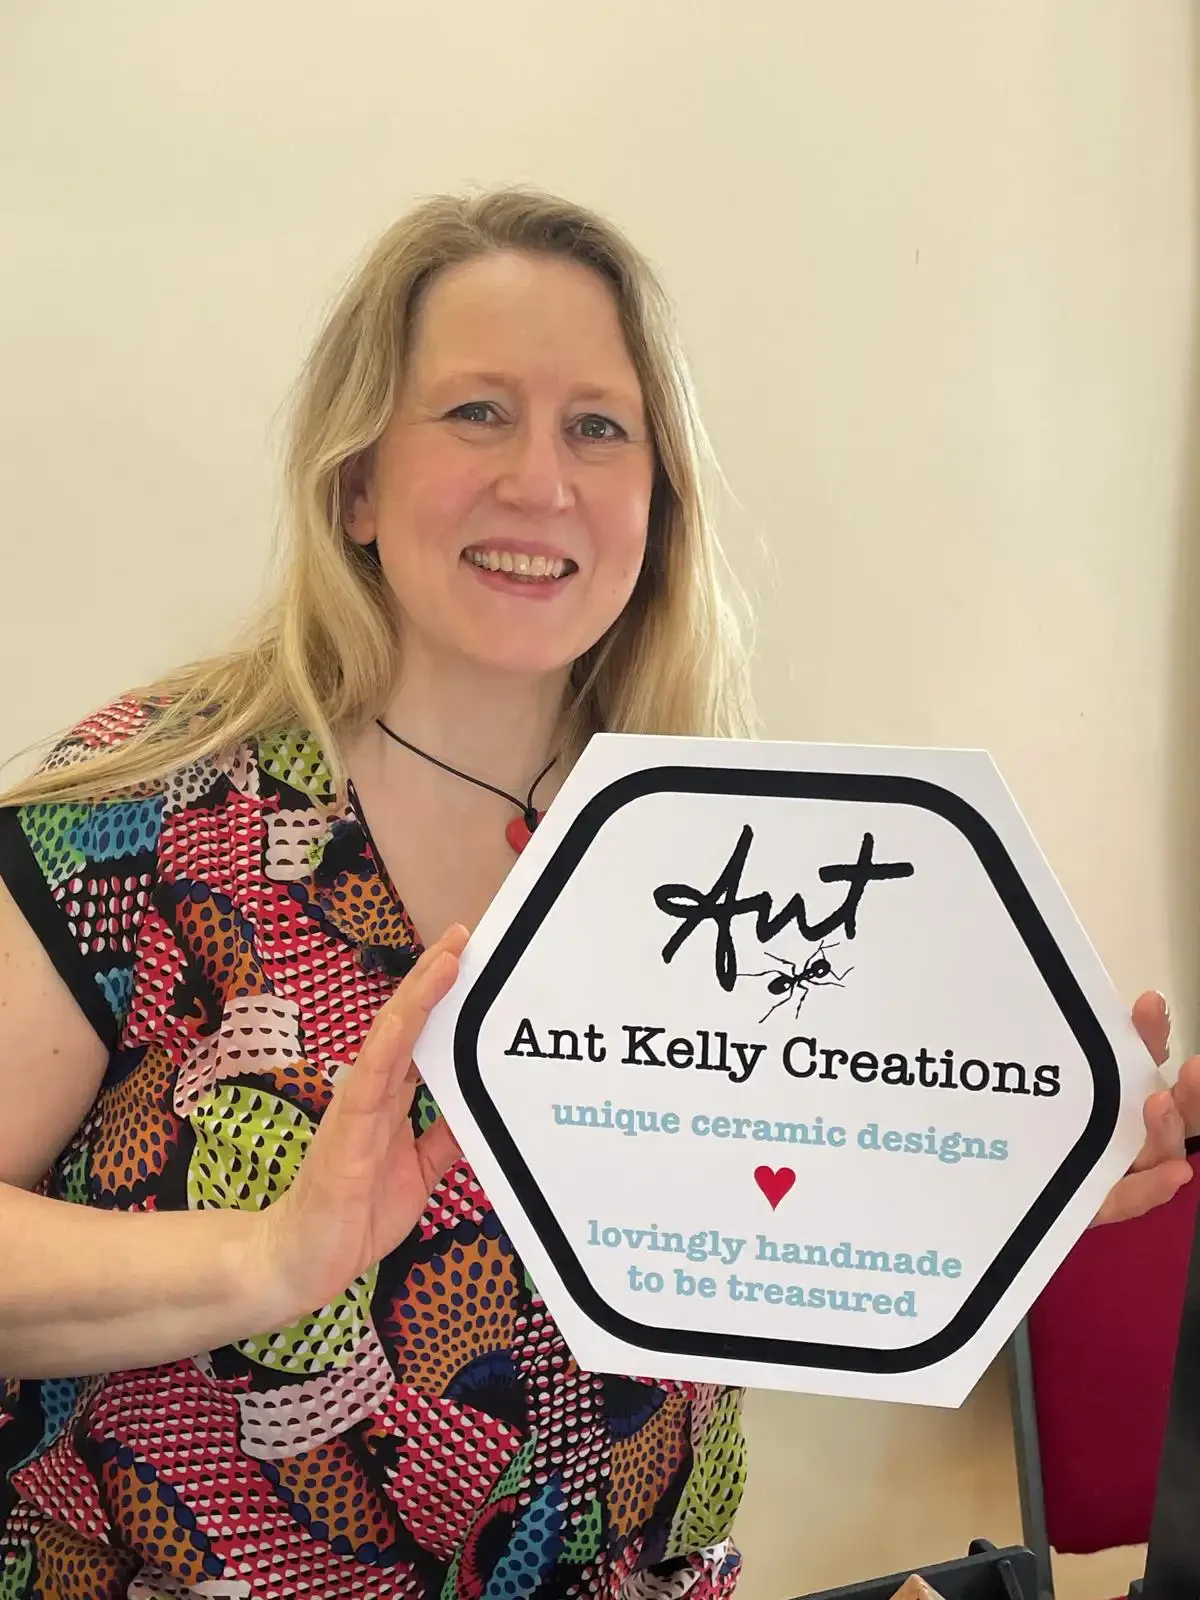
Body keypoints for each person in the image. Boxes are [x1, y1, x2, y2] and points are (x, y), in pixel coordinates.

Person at [0, 188, 1194, 1600]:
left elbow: (789, 1208)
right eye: (477, 413)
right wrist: (264, 1259)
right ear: (357, 485)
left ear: (655, 501)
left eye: (598, 428)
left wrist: (1007, 1175)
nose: (540, 481)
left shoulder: (718, 855)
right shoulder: (140, 810)